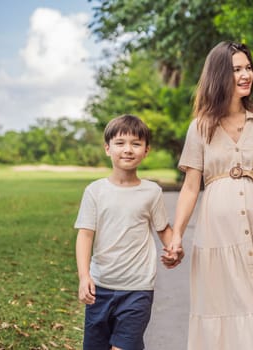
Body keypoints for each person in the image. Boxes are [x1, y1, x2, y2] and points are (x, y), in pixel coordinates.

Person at [166, 41, 253, 350]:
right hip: (218, 240)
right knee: (226, 310)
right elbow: (190, 186)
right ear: (218, 76)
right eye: (236, 69)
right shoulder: (199, 127)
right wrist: (177, 235)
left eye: (248, 68)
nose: (246, 75)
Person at [74, 114, 184, 350]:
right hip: (100, 287)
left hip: (138, 288)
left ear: (146, 151)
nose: (128, 150)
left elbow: (163, 228)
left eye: (136, 144)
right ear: (107, 148)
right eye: (120, 143)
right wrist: (84, 277)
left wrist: (174, 248)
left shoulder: (151, 192)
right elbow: (85, 235)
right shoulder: (95, 191)